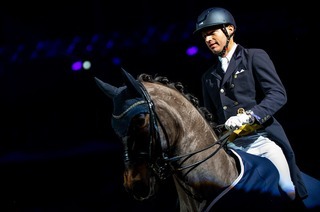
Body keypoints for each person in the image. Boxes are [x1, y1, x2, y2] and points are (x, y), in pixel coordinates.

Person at [193, 7, 308, 203]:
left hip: (261, 140)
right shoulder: (208, 77)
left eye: (211, 33)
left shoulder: (254, 57)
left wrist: (250, 115)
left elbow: (278, 94)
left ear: (229, 30)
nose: (207, 40)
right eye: (204, 37)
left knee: (287, 188)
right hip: (231, 147)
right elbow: (210, 116)